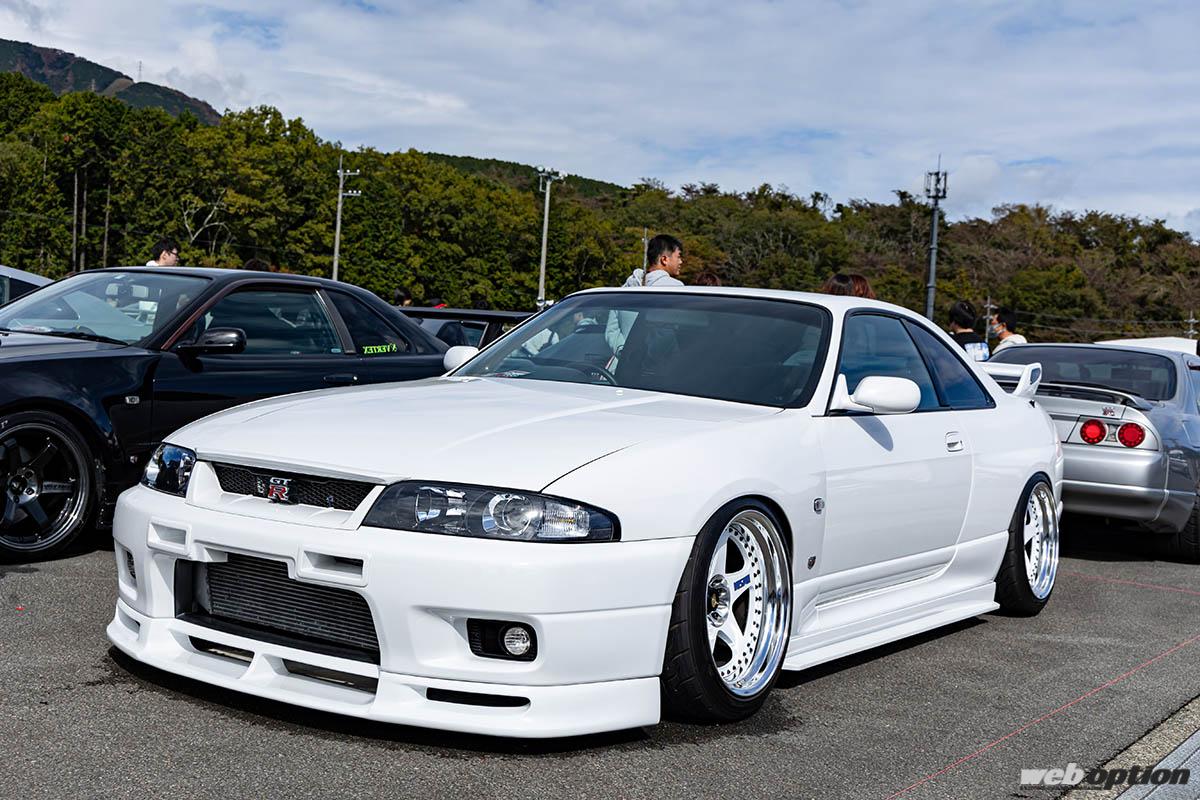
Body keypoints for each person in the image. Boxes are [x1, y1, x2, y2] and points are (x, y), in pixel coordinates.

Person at [606, 234, 684, 355]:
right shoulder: (676, 288)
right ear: (664, 259)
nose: (681, 261)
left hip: (625, 364)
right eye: (678, 256)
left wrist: (626, 353)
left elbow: (611, 331)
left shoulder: (625, 288)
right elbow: (673, 333)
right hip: (662, 364)